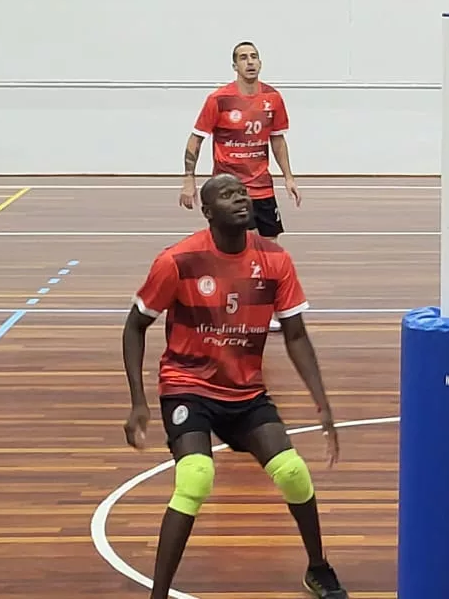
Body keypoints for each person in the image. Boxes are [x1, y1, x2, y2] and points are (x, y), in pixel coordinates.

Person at [122, 174, 348, 599]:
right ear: (208, 212)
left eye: (242, 193)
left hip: (245, 392)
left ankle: (318, 569)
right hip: (187, 386)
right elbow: (135, 326)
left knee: (294, 473)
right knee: (195, 477)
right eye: (227, 195)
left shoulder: (275, 260)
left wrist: (323, 404)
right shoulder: (178, 261)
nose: (241, 199)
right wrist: (138, 402)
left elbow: (296, 335)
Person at [182, 42, 300, 242]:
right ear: (235, 66)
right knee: (244, 243)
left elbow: (277, 139)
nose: (250, 62)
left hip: (262, 186)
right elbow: (195, 139)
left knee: (270, 243)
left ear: (260, 63)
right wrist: (188, 179)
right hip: (231, 188)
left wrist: (288, 178)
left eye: (254, 57)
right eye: (243, 58)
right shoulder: (219, 99)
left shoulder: (273, 97)